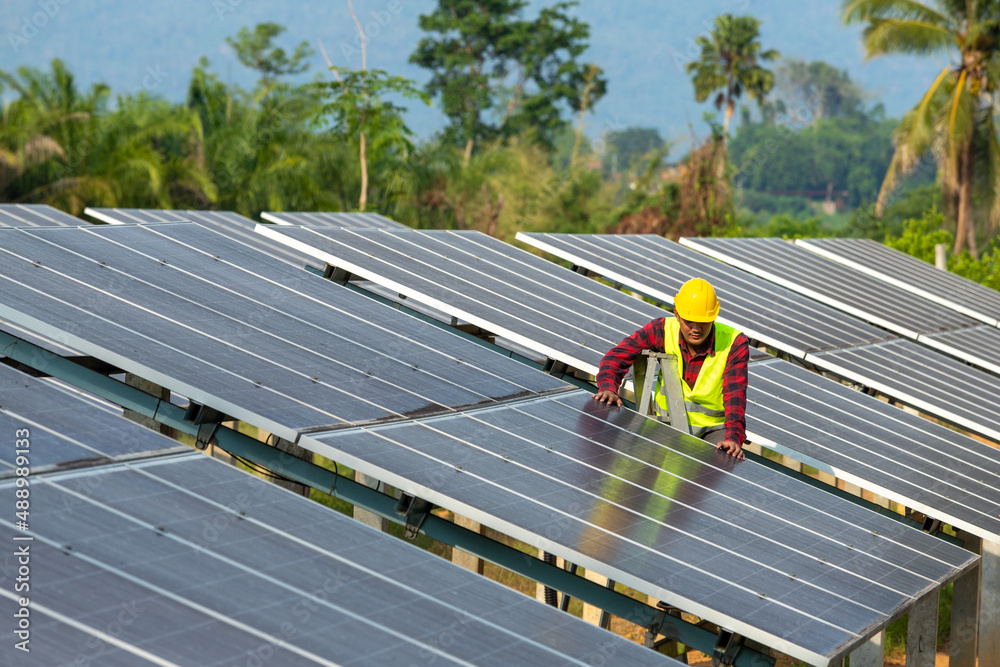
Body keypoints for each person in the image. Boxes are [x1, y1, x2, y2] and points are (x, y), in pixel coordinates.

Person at [593, 277, 749, 460]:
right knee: (641, 465)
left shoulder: (734, 343)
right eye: (689, 321)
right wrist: (608, 387)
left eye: (703, 322)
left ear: (714, 317)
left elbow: (735, 394)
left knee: (723, 461)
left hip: (713, 431)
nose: (696, 328)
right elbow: (617, 356)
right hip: (667, 423)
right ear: (677, 314)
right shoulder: (662, 329)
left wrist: (733, 437)